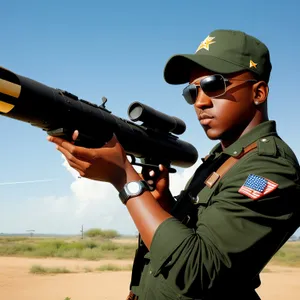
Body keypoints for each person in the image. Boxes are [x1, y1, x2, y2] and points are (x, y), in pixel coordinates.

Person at [47, 29, 300, 299]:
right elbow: (194, 234)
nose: (200, 102)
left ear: (258, 92)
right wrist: (163, 203)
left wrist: (125, 180)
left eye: (215, 85)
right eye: (193, 91)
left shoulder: (270, 167)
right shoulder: (223, 160)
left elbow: (198, 271)